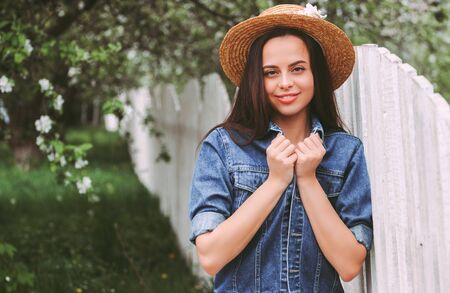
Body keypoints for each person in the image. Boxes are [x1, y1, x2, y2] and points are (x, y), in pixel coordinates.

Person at [189, 4, 373, 292]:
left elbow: (349, 265)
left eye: (297, 69)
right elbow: (211, 256)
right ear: (256, 80)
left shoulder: (345, 153)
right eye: (270, 73)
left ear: (316, 74)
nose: (285, 83)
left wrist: (308, 179)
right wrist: (275, 181)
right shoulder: (224, 147)